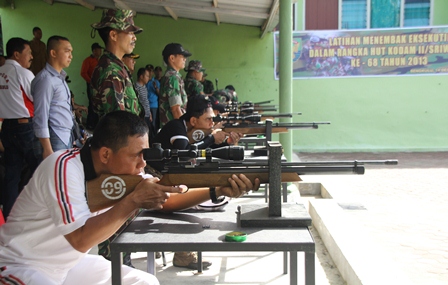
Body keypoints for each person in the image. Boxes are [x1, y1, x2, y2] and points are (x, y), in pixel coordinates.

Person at [149, 95, 244, 270]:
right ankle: (182, 253)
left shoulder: (189, 131)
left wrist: (226, 145)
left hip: (169, 176)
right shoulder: (177, 126)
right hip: (155, 178)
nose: (212, 123)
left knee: (207, 197)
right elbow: (185, 153)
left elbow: (199, 152)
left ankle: (183, 252)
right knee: (199, 199)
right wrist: (210, 139)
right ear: (193, 120)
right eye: (208, 119)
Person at [0, 37, 39, 219]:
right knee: (39, 171)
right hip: (25, 126)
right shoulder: (22, 73)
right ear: (16, 54)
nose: (31, 56)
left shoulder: (1, 72)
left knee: (12, 174)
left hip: (6, 127)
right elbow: (36, 99)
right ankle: (37, 214)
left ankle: (9, 216)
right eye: (28, 52)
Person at [90, 9, 143, 118]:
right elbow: (118, 122)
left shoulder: (118, 66)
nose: (135, 37)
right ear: (113, 35)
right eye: (130, 32)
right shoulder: (111, 71)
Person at [32, 35, 75, 161]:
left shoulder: (59, 78)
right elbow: (41, 115)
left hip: (63, 136)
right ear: (53, 53)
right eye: (67, 51)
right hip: (53, 138)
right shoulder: (46, 80)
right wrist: (47, 148)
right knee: (53, 178)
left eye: (71, 52)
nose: (70, 56)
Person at [159, 43, 191, 128]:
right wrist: (184, 129)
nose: (185, 59)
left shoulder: (173, 76)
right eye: (182, 56)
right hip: (173, 128)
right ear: (172, 58)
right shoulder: (172, 78)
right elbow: (176, 109)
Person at [80, 42, 103, 130]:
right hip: (91, 85)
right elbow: (83, 73)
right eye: (98, 50)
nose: (100, 51)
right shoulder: (88, 60)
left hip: (100, 85)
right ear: (94, 51)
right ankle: (90, 124)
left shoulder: (100, 60)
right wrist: (91, 82)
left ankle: (97, 124)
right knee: (92, 104)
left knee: (98, 104)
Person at [134, 67, 152, 135]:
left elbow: (146, 100)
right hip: (141, 115)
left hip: (147, 114)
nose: (148, 78)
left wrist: (149, 113)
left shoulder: (144, 87)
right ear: (141, 76)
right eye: (147, 76)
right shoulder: (136, 87)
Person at [146, 64, 159, 136]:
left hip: (153, 105)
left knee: (153, 123)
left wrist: (155, 87)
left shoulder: (156, 82)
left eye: (151, 71)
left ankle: (154, 139)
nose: (150, 73)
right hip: (145, 105)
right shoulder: (144, 80)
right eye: (148, 71)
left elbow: (160, 94)